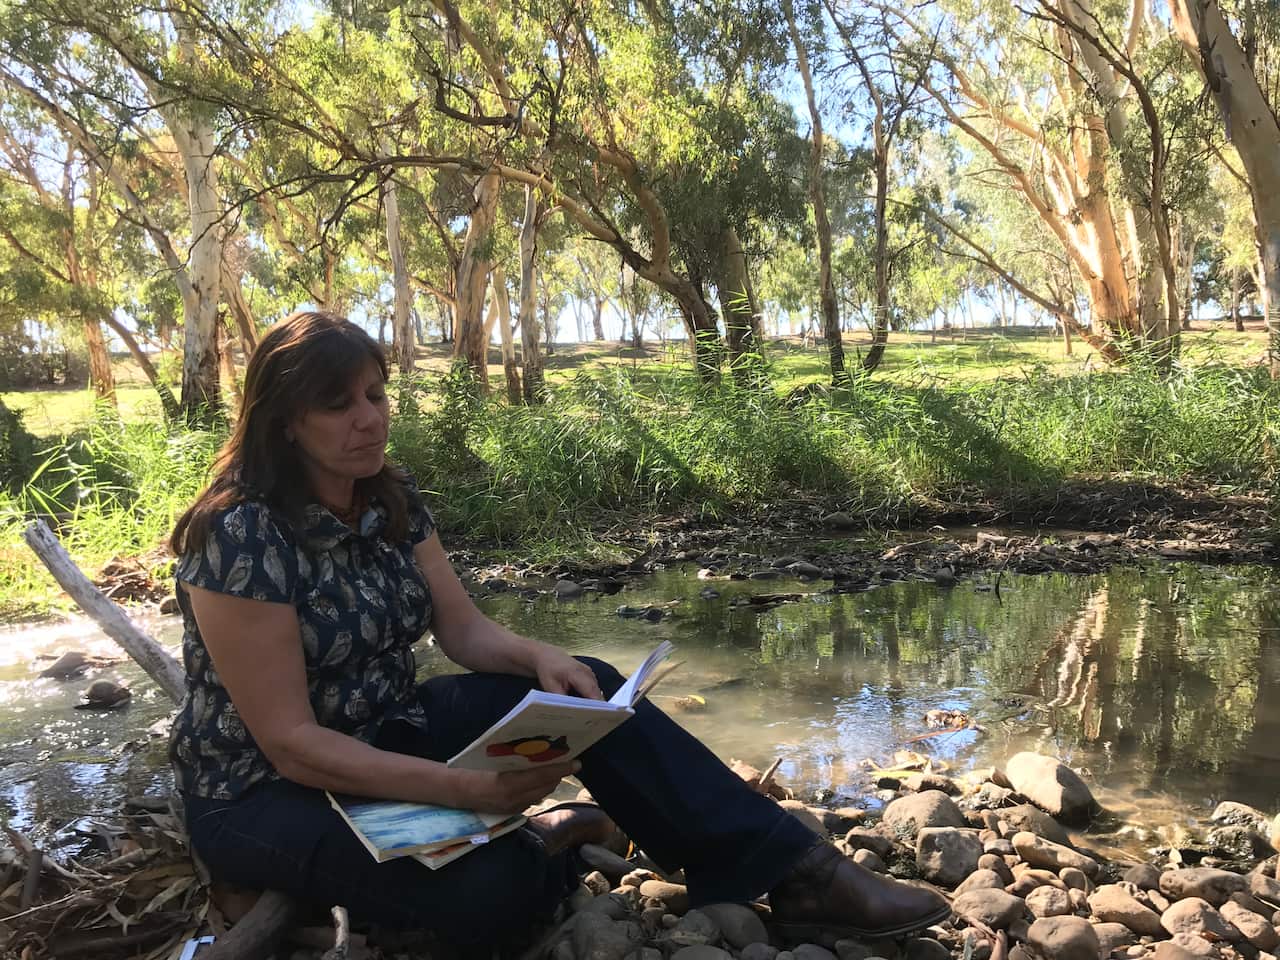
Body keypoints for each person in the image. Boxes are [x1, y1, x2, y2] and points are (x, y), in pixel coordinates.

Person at [168, 311, 949, 951]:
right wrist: (463, 790)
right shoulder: (238, 535)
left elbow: (465, 631)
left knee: (591, 687)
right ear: (285, 422)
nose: (370, 420)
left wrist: (542, 657)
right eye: (340, 406)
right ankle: (542, 839)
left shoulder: (386, 495)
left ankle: (801, 874)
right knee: (496, 895)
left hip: (387, 732)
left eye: (376, 394)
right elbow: (291, 744)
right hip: (262, 794)